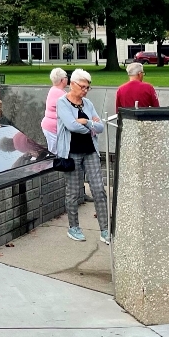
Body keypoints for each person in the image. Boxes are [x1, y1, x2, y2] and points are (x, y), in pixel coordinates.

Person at [55, 68, 110, 244]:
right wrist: (90, 124)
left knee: (99, 190)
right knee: (73, 192)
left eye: (88, 87)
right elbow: (72, 126)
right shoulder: (62, 103)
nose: (85, 90)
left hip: (90, 151)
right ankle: (74, 227)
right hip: (71, 153)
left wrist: (86, 121)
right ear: (72, 84)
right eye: (82, 86)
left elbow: (100, 127)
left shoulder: (87, 104)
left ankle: (105, 230)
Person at [40, 68, 68, 153]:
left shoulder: (55, 90)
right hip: (53, 128)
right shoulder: (59, 93)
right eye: (66, 77)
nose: (67, 79)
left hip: (51, 127)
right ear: (62, 80)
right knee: (56, 153)